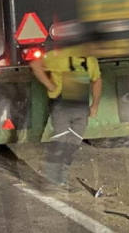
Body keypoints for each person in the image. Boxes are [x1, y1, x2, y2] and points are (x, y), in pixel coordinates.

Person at [29, 46, 102, 188]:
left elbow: (97, 80)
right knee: (61, 140)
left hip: (80, 105)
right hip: (61, 104)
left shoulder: (90, 60)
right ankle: (53, 179)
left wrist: (95, 104)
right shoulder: (57, 56)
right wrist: (50, 85)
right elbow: (35, 64)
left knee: (74, 142)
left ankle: (61, 175)